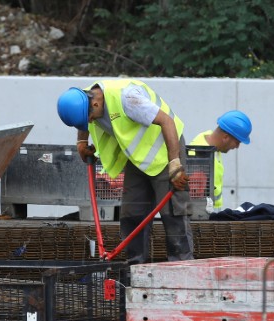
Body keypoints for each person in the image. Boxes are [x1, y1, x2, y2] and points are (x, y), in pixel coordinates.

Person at [56, 80, 193, 263]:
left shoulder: (129, 100)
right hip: (137, 158)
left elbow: (167, 122)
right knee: (132, 214)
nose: (89, 122)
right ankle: (135, 272)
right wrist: (81, 142)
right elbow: (82, 122)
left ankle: (181, 269)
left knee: (173, 214)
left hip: (165, 154)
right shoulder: (85, 97)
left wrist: (175, 164)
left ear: (95, 104)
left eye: (89, 118)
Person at [189, 110, 252, 210]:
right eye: (237, 142)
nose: (237, 147)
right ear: (225, 137)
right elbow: (195, 199)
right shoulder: (199, 156)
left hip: (212, 214)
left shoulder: (212, 146)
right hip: (203, 217)